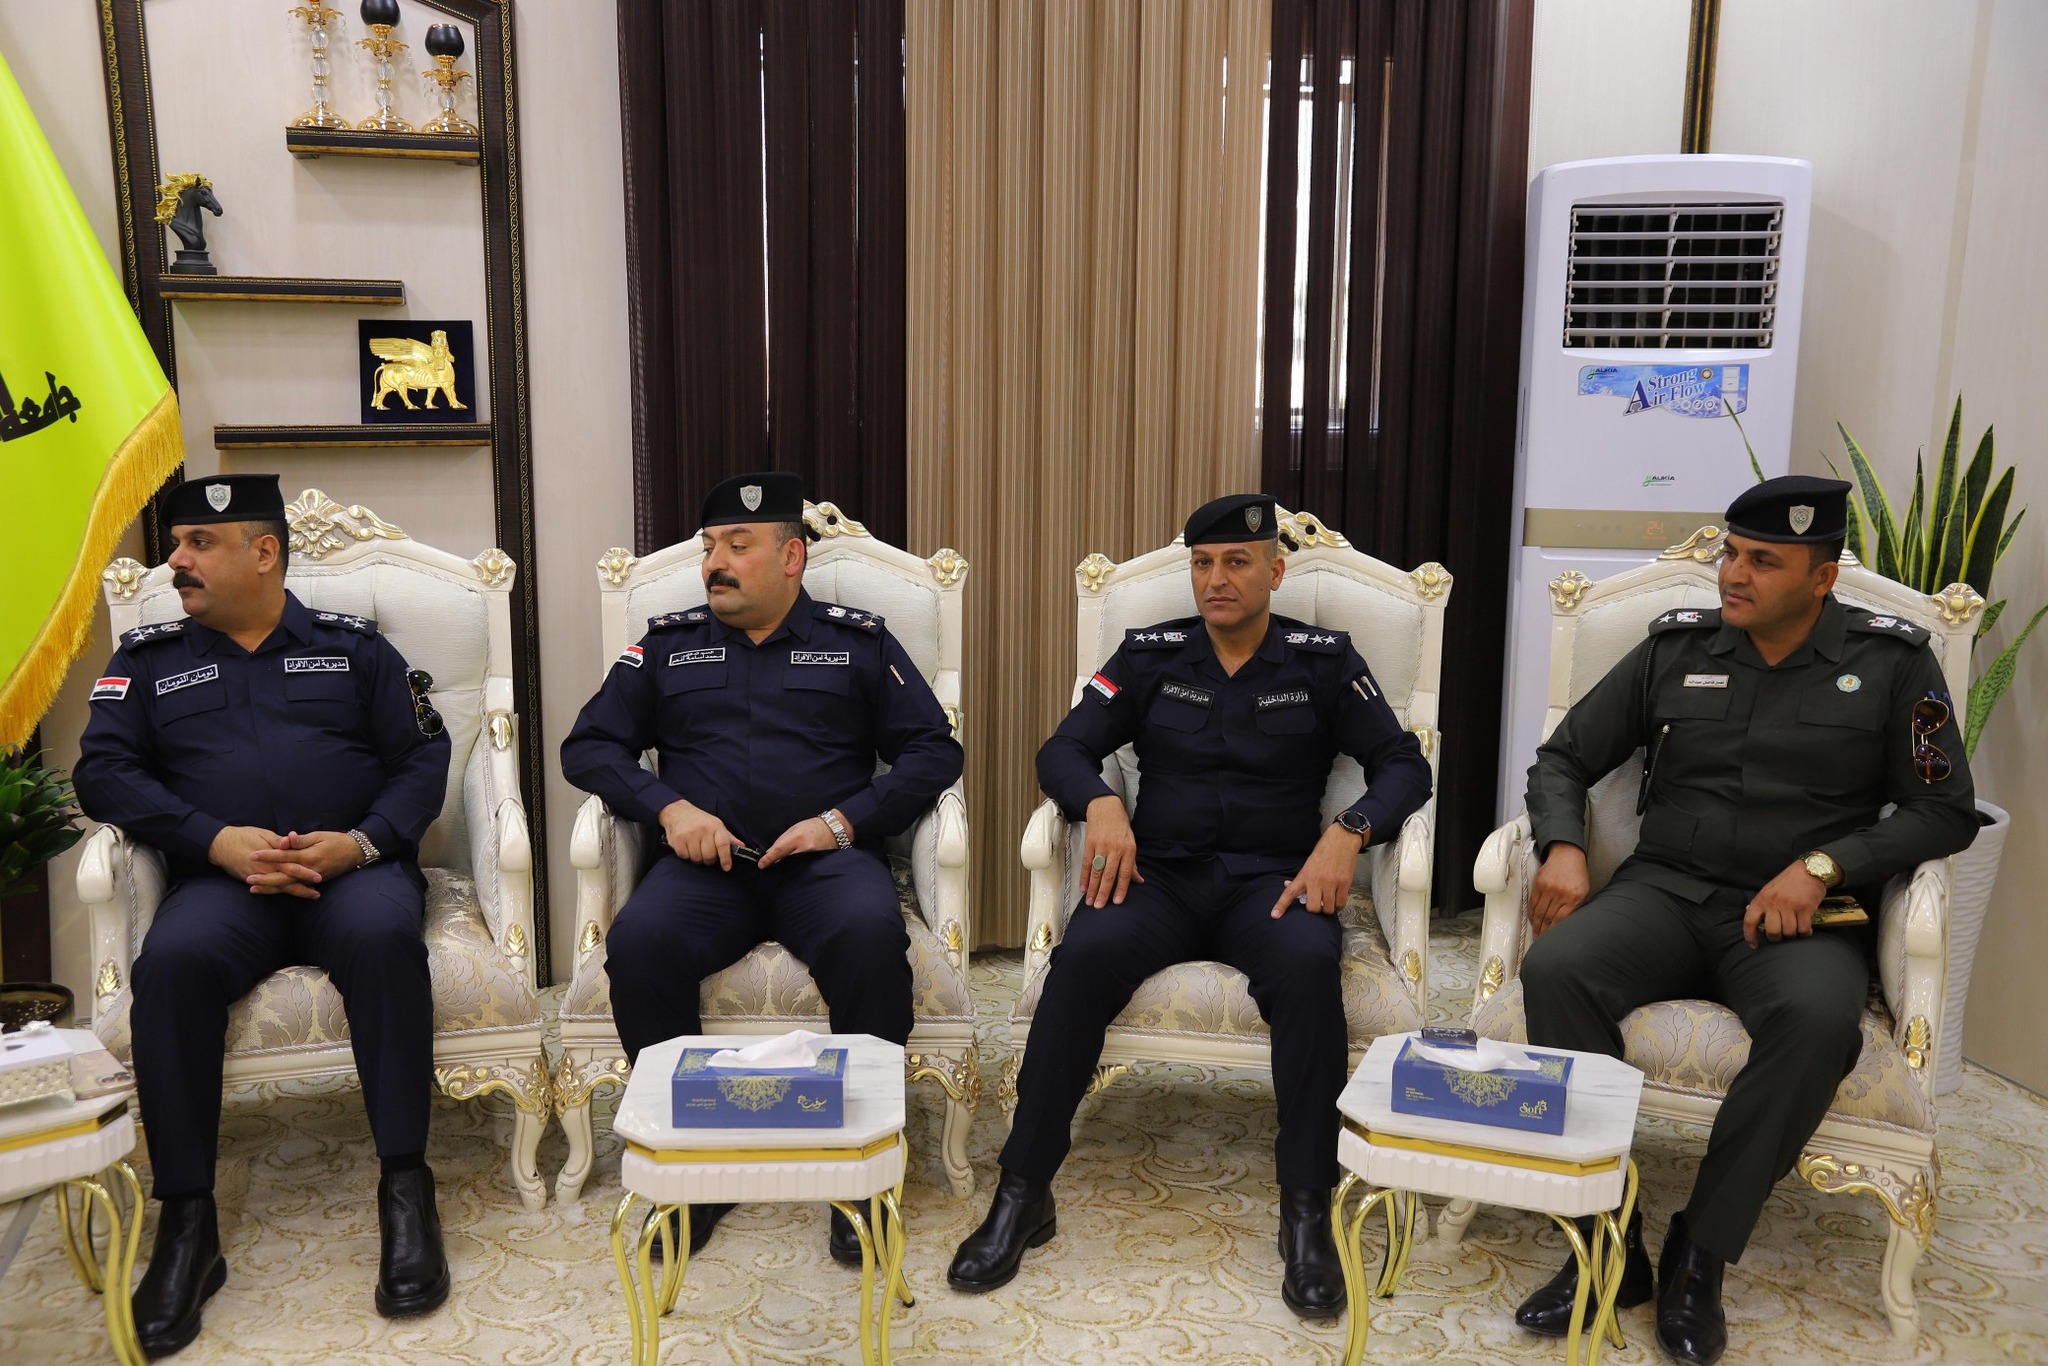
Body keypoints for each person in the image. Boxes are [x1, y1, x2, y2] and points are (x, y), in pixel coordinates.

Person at [1514, 475, 1979, 1365]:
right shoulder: (1674, 648)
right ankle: (1609, 1236)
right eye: (1731, 553)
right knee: (1557, 968)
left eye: (1763, 561)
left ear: (1821, 577)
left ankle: (1701, 1253)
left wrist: (1824, 866)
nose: (1733, 573)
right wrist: (1563, 846)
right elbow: (1563, 759)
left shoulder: (1894, 664)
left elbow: (1944, 810)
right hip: (1665, 892)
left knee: (1816, 1023)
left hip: (1797, 917)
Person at [947, 494, 1433, 1317]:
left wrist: (1349, 832)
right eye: (1203, 564)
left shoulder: (1322, 660)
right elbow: (1063, 749)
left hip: (1271, 884)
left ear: (1275, 572)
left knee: (1308, 971)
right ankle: (1023, 1194)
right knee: (1081, 961)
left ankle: (1306, 1210)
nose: (1217, 579)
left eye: (1237, 562)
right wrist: (1100, 803)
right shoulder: (1149, 655)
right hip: (1161, 879)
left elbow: (1403, 766)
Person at [72, 474, 453, 1356]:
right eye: (178, 544)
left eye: (198, 544)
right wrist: (212, 840)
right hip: (222, 886)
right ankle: (188, 1222)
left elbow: (421, 758)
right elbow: (103, 773)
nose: (176, 560)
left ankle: (405, 1186)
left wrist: (361, 843)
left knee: (383, 938)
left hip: (351, 873)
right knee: (172, 964)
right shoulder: (146, 660)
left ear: (265, 552)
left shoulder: (355, 650)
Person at [561, 470, 964, 1264]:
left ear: (791, 557)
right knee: (641, 944)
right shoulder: (666, 646)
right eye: (710, 547)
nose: (715, 563)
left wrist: (842, 822)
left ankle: (862, 1169)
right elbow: (590, 746)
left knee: (868, 938)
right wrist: (669, 810)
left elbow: (932, 751)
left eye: (737, 546)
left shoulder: (858, 642)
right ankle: (690, 1167)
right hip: (706, 870)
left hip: (824, 864)